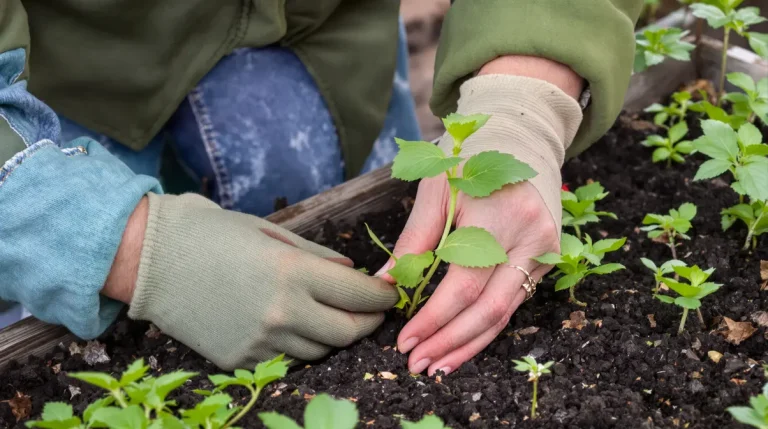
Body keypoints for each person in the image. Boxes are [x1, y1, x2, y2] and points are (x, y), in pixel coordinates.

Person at [0, 1, 642, 374]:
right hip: (56, 59)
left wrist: (525, 88)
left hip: (331, 36)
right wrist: (115, 243)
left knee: (320, 187)